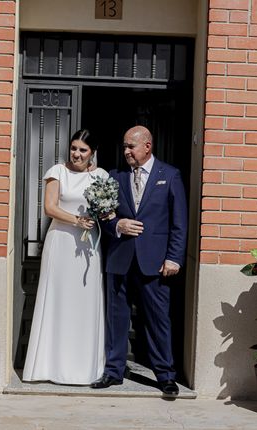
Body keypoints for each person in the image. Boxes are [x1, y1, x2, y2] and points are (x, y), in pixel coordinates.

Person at [91, 126, 187, 397]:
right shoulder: (114, 176)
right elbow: (103, 216)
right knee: (117, 319)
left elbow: (179, 222)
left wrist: (174, 258)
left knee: (157, 319)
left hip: (155, 263)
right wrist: (117, 224)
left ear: (147, 146)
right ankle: (113, 371)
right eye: (124, 147)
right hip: (120, 258)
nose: (126, 152)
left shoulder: (169, 175)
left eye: (131, 147)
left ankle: (166, 376)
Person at [23, 129, 107, 385]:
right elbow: (49, 207)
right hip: (61, 242)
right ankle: (49, 366)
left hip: (88, 247)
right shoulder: (56, 171)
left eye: (82, 149)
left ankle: (84, 368)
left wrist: (101, 215)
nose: (77, 154)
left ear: (91, 152)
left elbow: (106, 210)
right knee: (59, 299)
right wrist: (76, 220)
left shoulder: (101, 175)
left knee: (84, 302)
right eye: (73, 148)